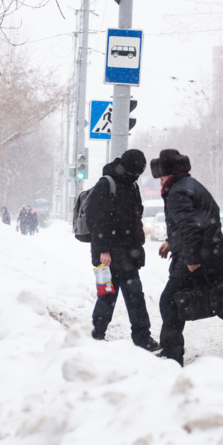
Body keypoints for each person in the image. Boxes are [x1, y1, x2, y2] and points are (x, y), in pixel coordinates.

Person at [150, 149, 223, 372]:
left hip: (194, 261)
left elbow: (191, 227)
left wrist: (192, 259)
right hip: (214, 258)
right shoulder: (192, 185)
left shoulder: (177, 193)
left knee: (169, 301)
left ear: (169, 175)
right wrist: (171, 243)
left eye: (161, 178)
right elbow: (199, 222)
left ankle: (172, 357)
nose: (160, 183)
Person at [86, 149, 160, 352]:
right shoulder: (106, 184)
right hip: (108, 255)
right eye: (134, 172)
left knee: (135, 295)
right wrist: (104, 250)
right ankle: (96, 335)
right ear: (126, 168)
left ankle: (142, 337)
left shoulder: (132, 185)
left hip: (128, 253)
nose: (136, 176)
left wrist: (138, 246)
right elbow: (96, 219)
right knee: (107, 295)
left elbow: (135, 218)